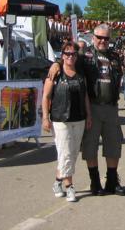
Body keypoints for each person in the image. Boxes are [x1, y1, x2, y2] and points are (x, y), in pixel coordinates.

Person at [49, 24, 125, 196]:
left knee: (113, 145)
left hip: (111, 107)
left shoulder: (115, 56)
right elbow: (68, 59)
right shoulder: (85, 56)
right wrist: (56, 63)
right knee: (90, 146)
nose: (103, 41)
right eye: (99, 37)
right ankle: (95, 182)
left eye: (106, 38)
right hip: (92, 106)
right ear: (93, 38)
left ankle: (112, 182)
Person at [42, 41, 91, 202]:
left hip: (79, 118)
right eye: (67, 53)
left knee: (73, 153)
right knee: (65, 153)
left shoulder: (80, 74)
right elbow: (46, 97)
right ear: (62, 55)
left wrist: (89, 115)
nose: (70, 56)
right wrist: (45, 117)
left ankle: (57, 182)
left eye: (73, 54)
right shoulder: (55, 73)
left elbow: (85, 96)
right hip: (60, 119)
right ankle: (69, 187)